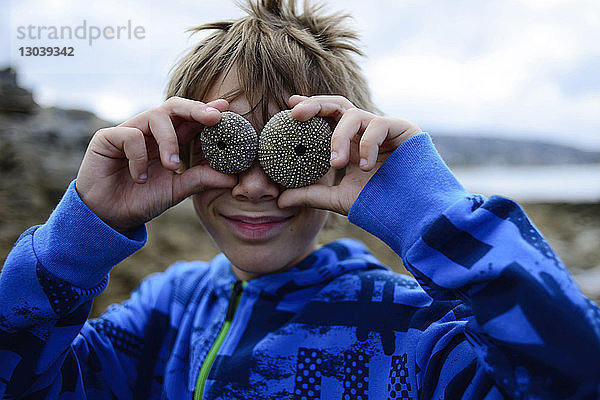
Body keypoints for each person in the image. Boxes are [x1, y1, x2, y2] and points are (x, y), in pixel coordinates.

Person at [1, 0, 599, 398]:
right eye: (224, 144)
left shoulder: (414, 329)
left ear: (342, 157)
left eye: (292, 152)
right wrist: (78, 235)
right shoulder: (167, 310)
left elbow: (577, 373)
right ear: (181, 153)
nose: (257, 185)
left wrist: (426, 211)